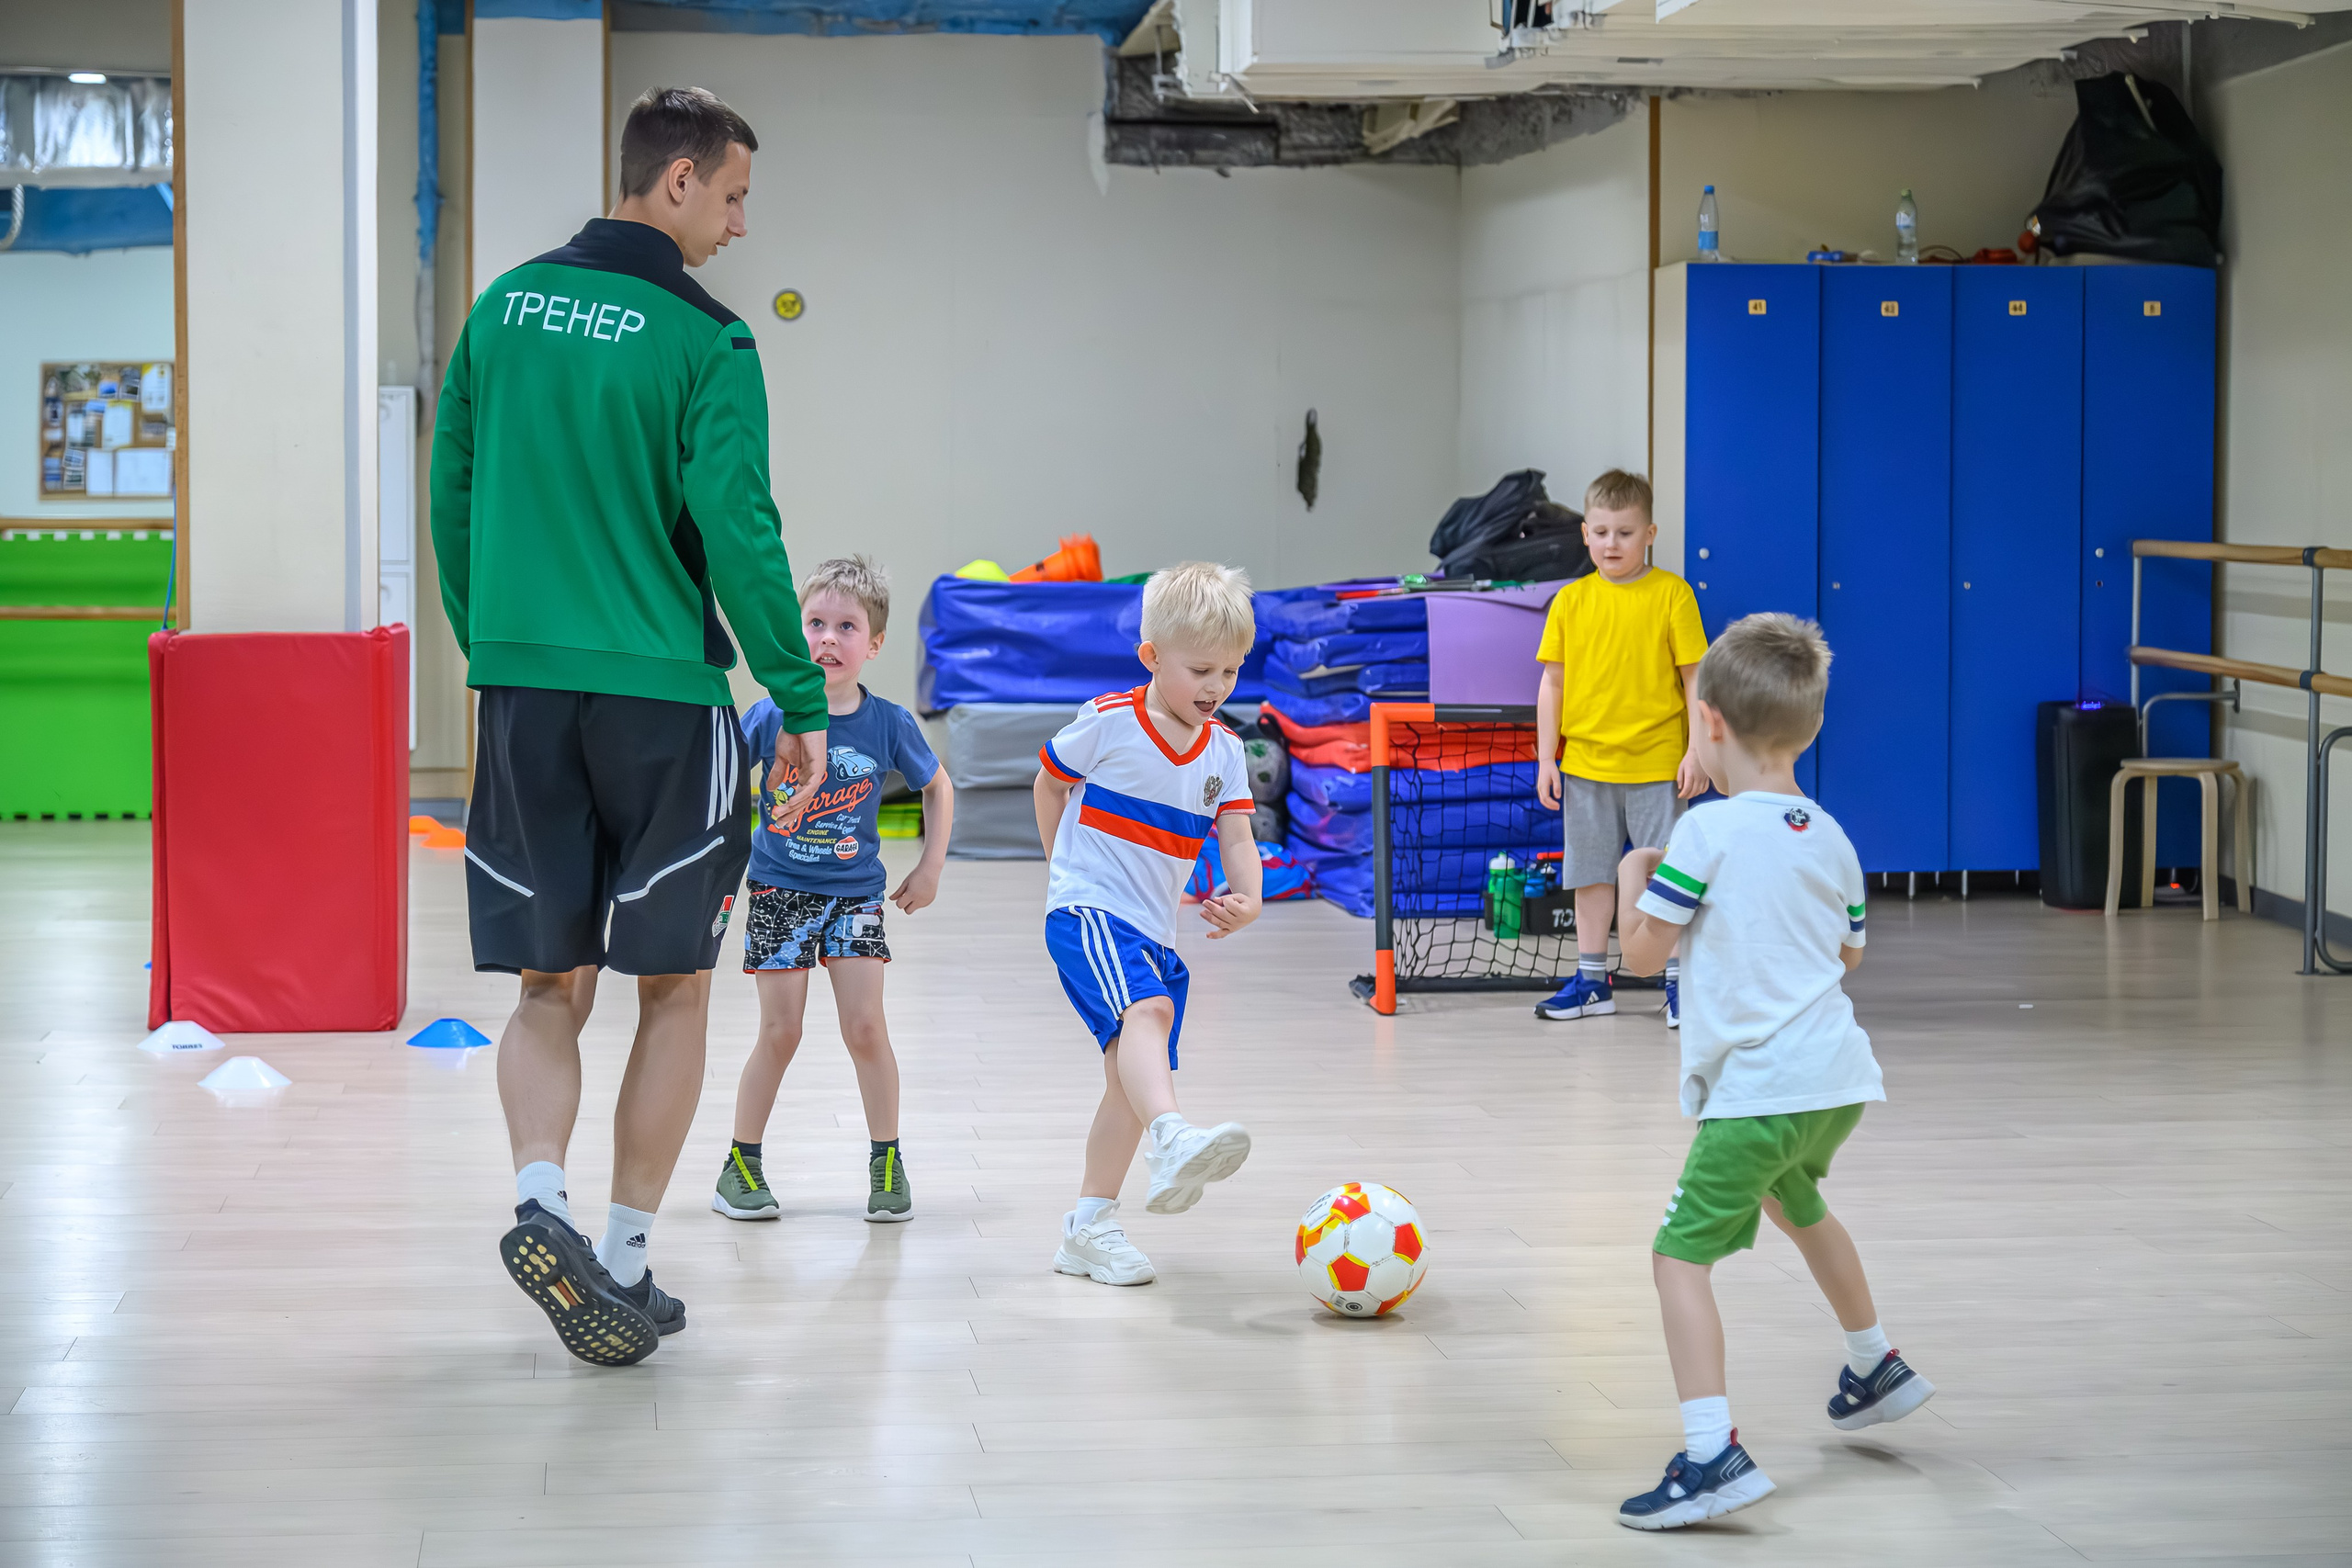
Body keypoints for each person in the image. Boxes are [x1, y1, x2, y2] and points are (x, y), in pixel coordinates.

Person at [430, 85, 828, 1368]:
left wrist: (497, 641)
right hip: (663, 702)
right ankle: (627, 1254)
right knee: (673, 983)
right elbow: (742, 534)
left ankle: (539, 1201)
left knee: (552, 980)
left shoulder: (501, 310)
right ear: (675, 182)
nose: (739, 223)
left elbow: (455, 495)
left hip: (525, 691)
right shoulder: (708, 341)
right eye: (733, 195)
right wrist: (802, 698)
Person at [1609, 613, 1933, 1530]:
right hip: (1835, 1081)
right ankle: (1874, 1363)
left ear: (1705, 721)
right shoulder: (1828, 834)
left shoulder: (1703, 835)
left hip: (1757, 1091)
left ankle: (1710, 1458)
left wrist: (1638, 869)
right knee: (1798, 1204)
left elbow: (1640, 956)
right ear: (1812, 724)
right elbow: (1849, 956)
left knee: (1677, 1260)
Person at [1030, 562, 1264, 1287]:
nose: (1216, 685)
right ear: (1152, 657)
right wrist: (1062, 871)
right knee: (1149, 1013)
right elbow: (1049, 781)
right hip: (1091, 910)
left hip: (1155, 931)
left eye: (1230, 670)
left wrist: (1248, 899)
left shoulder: (1224, 750)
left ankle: (1088, 1228)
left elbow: (1237, 838)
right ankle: (1172, 1136)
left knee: (1127, 1078)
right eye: (1200, 668)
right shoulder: (1109, 719)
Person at [713, 557, 954, 1225]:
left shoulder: (888, 723)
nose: (826, 639)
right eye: (815, 623)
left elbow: (938, 786)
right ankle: (740, 1164)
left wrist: (931, 865)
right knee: (781, 1031)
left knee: (867, 1027)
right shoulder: (771, 715)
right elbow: (721, 779)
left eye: (845, 626)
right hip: (780, 890)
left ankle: (886, 1159)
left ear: (873, 645)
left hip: (855, 896)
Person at [1532, 469, 1710, 1027]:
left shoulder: (1673, 595)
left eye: (1626, 533)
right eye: (1602, 532)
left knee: (1667, 878)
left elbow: (1695, 681)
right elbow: (1552, 685)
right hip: (1585, 766)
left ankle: (1677, 985)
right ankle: (1591, 982)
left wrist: (1697, 752)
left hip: (1659, 766)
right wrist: (1545, 758)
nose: (1613, 544)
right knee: (1590, 878)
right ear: (1585, 534)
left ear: (1650, 533)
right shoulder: (1569, 601)